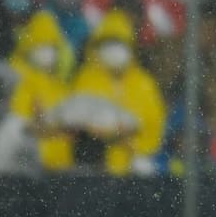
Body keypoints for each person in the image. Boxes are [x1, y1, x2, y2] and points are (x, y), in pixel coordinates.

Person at [70, 10, 166, 175]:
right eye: (108, 44)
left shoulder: (143, 82)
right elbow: (80, 122)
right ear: (98, 47)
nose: (115, 50)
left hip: (134, 166)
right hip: (96, 165)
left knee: (145, 168)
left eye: (120, 43)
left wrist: (135, 146)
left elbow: (155, 125)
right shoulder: (86, 78)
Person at [8, 10, 75, 171]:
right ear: (29, 47)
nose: (47, 52)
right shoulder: (17, 78)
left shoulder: (59, 85)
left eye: (51, 47)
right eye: (40, 45)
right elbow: (16, 124)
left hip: (60, 167)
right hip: (27, 168)